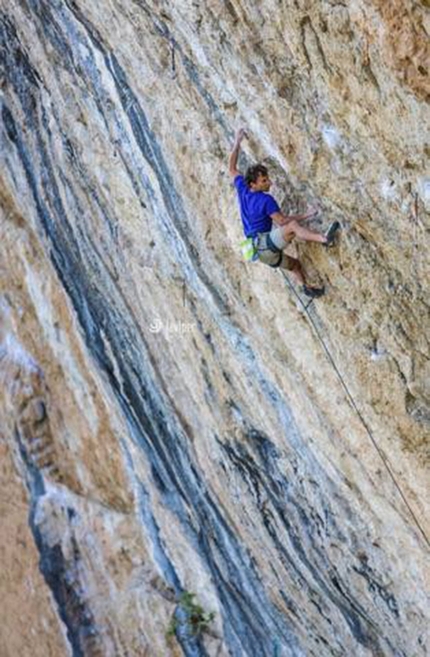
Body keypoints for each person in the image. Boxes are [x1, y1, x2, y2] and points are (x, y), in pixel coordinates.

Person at [229, 128, 340, 298]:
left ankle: (306, 288)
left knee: (295, 265)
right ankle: (324, 239)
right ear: (253, 184)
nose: (270, 183)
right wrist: (307, 214)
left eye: (268, 179)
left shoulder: (243, 189)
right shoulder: (266, 200)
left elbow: (232, 168)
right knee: (293, 226)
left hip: (259, 252)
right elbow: (283, 222)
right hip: (264, 245)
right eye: (264, 181)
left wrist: (237, 142)